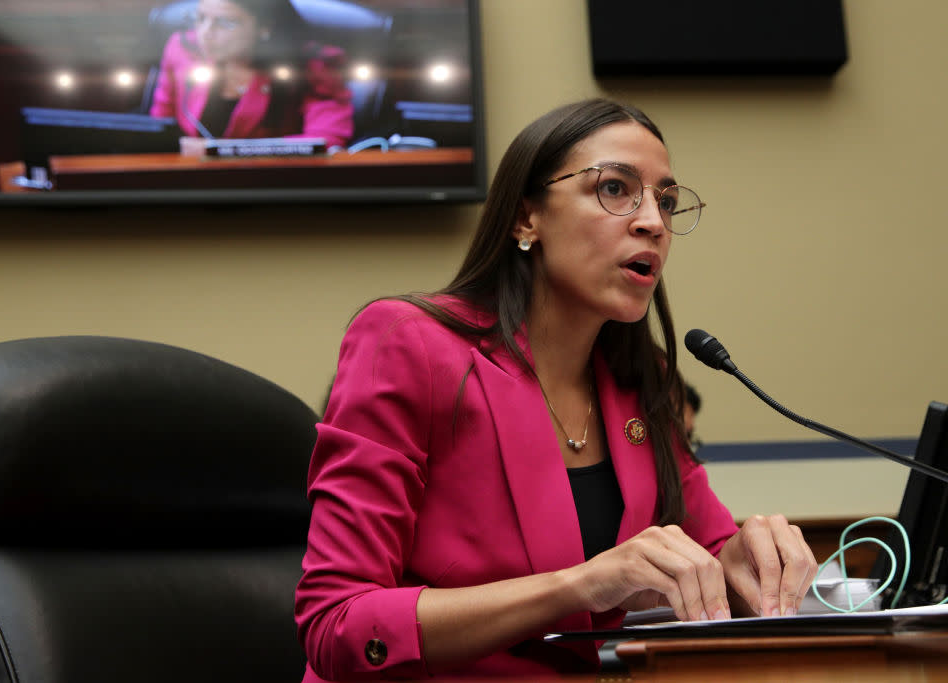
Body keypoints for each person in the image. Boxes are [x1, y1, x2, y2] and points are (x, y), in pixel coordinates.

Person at [294, 98, 817, 680]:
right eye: (616, 189)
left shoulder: (639, 381)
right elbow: (337, 623)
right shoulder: (408, 345)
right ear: (526, 218)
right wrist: (582, 585)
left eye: (665, 202)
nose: (652, 222)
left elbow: (712, 558)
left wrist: (749, 562)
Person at [149, 0, 353, 147]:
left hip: (269, 185)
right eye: (200, 18)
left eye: (225, 23)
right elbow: (159, 128)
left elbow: (327, 140)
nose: (206, 33)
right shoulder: (183, 49)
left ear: (264, 27)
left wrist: (221, 152)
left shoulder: (314, 65)